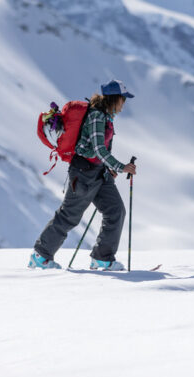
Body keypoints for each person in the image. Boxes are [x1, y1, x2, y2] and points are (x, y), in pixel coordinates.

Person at [29, 79, 137, 270]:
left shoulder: (106, 117)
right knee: (69, 216)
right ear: (114, 99)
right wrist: (121, 167)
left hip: (99, 173)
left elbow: (100, 150)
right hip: (83, 173)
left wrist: (108, 167)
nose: (124, 104)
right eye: (123, 100)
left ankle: (102, 258)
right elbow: (98, 148)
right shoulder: (97, 116)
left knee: (115, 211)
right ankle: (41, 256)